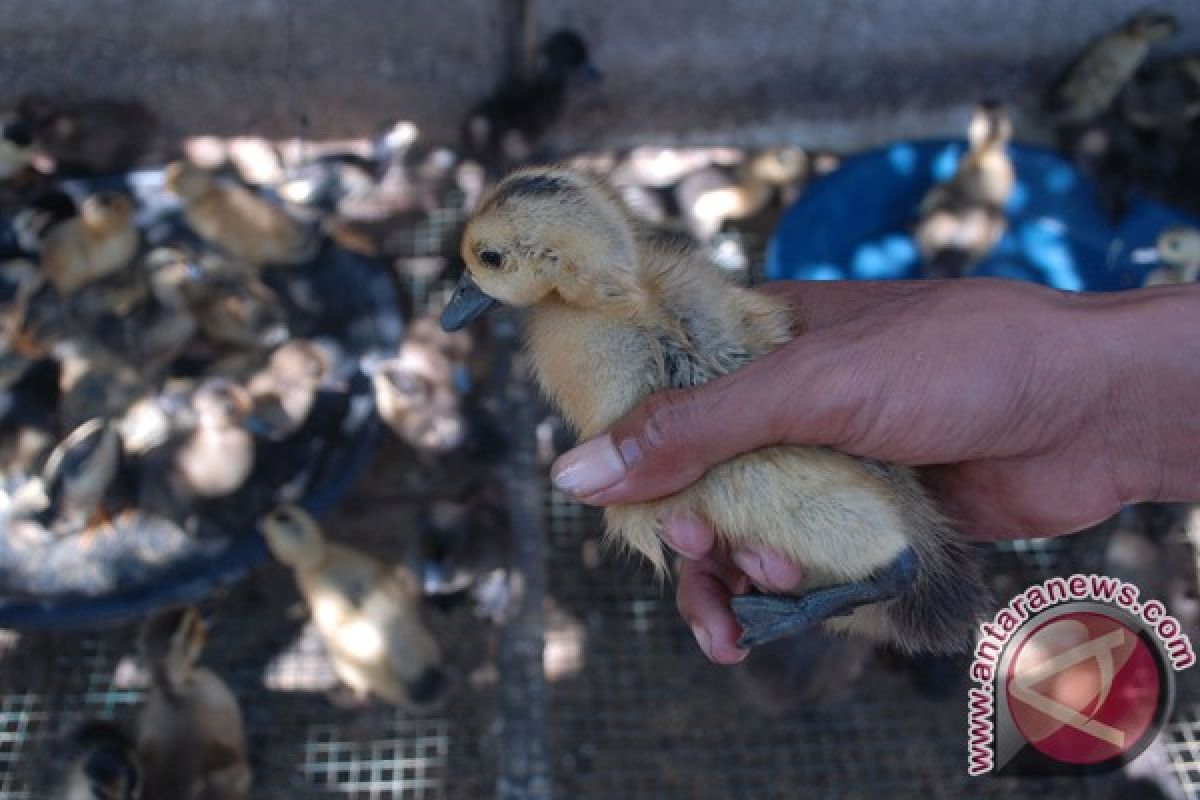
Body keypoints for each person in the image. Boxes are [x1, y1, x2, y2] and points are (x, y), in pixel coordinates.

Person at [548, 278, 1200, 664]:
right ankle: (863, 581)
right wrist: (1100, 394)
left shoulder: (605, 328)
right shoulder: (631, 314)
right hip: (833, 472)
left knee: (765, 533)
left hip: (837, 492)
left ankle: (873, 577)